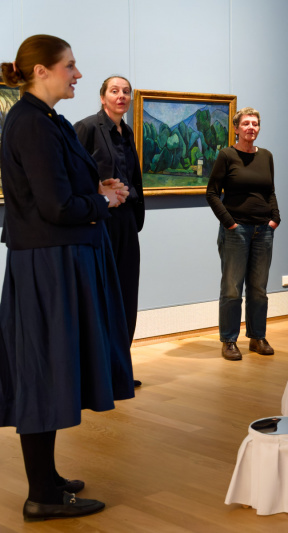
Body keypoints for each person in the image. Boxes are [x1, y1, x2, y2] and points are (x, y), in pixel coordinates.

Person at [0, 34, 134, 521]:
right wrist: (106, 201)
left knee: (53, 370)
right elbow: (55, 208)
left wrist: (95, 187)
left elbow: (52, 189)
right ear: (41, 71)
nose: (77, 74)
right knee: (42, 372)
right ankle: (41, 495)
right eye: (70, 66)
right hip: (49, 265)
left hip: (57, 259)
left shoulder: (45, 120)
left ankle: (48, 479)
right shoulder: (32, 124)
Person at [75, 76, 145, 387]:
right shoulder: (87, 127)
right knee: (102, 296)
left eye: (126, 91)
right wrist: (100, 191)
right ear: (103, 97)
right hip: (101, 221)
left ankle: (120, 370)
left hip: (127, 221)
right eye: (114, 91)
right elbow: (73, 174)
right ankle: (99, 374)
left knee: (127, 294)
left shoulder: (127, 132)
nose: (121, 96)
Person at [206, 107, 279, 360]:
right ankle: (228, 340)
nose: (251, 127)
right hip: (236, 230)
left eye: (255, 124)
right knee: (232, 288)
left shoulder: (266, 156)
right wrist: (229, 223)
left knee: (259, 288)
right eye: (246, 123)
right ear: (236, 128)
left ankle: (257, 337)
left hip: (263, 230)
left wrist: (275, 219)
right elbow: (212, 193)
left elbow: (270, 191)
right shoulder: (227, 155)